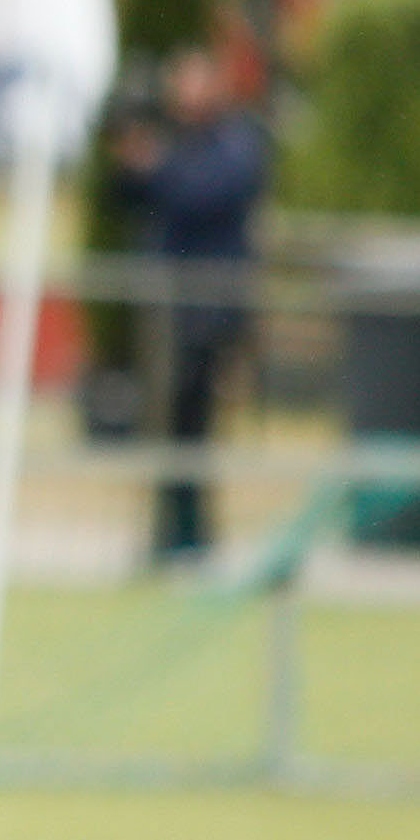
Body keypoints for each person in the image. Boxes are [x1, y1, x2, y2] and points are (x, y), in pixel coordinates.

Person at [110, 44, 268, 563]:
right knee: (163, 423)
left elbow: (204, 194)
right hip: (166, 313)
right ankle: (166, 531)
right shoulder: (174, 141)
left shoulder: (235, 140)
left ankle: (194, 533)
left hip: (210, 309)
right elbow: (131, 195)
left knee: (197, 426)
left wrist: (156, 168)